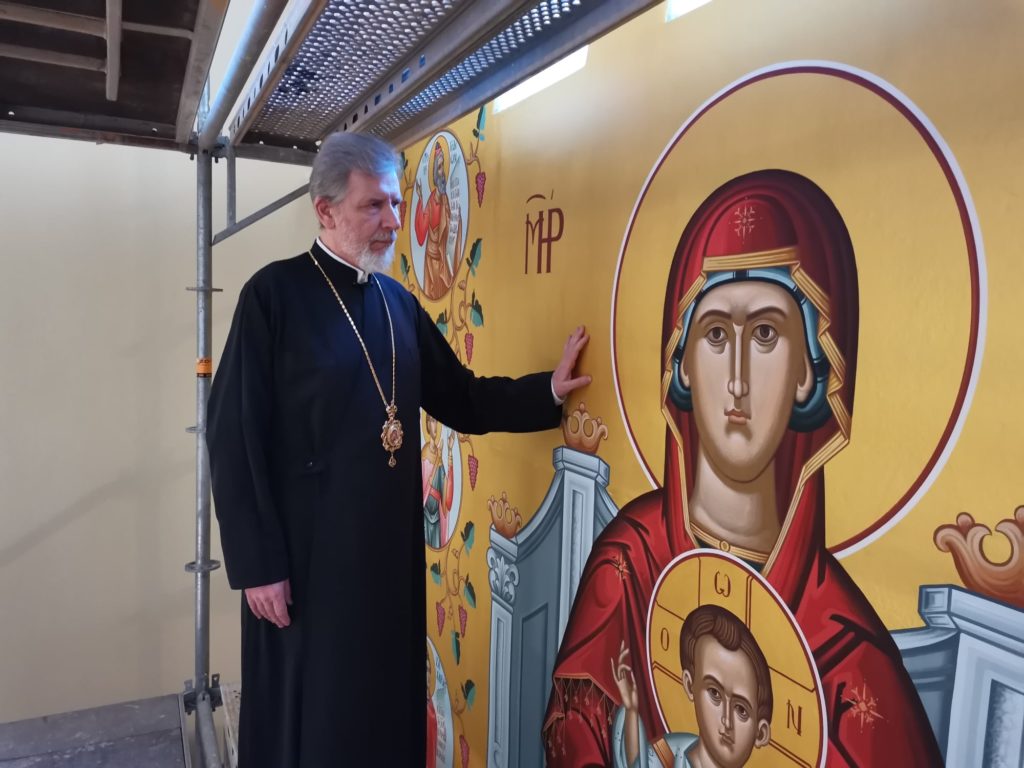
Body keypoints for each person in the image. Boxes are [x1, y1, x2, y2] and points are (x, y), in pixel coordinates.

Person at [207, 131, 591, 767]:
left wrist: (544, 393)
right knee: (315, 721)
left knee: (381, 712)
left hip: (384, 561)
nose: (392, 223)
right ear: (325, 211)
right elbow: (232, 435)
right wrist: (257, 566)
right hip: (303, 567)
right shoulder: (271, 298)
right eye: (373, 207)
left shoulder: (398, 305)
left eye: (394, 204)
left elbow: (462, 397)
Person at [544, 170, 942, 766]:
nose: (735, 380)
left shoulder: (851, 657)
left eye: (764, 334)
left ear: (811, 371)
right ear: (679, 364)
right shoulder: (629, 563)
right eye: (713, 335)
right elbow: (573, 734)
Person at [611, 605, 773, 768]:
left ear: (760, 733)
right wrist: (631, 711)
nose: (726, 720)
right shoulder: (668, 756)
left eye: (741, 710)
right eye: (714, 693)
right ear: (690, 684)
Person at [414, 139, 459, 299]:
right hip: (432, 262)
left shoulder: (446, 199)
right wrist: (420, 199)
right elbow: (421, 232)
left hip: (443, 261)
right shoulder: (432, 201)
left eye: (443, 166)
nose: (443, 172)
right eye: (439, 168)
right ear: (434, 172)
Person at [422, 414, 455, 548]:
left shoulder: (439, 455)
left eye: (435, 422)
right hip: (425, 516)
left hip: (436, 520)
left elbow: (445, 490)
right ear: (427, 426)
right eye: (431, 422)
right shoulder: (424, 453)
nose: (434, 425)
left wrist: (450, 450)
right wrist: (437, 459)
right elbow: (427, 484)